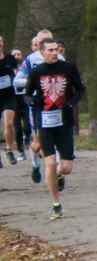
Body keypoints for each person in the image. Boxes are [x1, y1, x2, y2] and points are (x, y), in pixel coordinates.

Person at [22, 39, 85, 220]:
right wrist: (32, 101)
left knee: (66, 167)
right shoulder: (36, 73)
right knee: (49, 163)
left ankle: (57, 175)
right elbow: (27, 94)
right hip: (45, 122)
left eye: (56, 49)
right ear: (42, 53)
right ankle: (56, 204)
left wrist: (71, 102)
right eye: (50, 50)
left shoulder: (68, 68)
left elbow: (80, 89)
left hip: (63, 122)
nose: (54, 52)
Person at [17, 31, 49, 182]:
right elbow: (17, 81)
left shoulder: (59, 59)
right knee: (38, 142)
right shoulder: (30, 59)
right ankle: (35, 164)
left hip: (54, 105)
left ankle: (57, 172)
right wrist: (34, 82)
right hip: (36, 104)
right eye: (40, 42)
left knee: (53, 140)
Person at [0, 39, 19, 165]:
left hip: (8, 96)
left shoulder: (9, 58)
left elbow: (19, 70)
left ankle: (9, 149)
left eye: (0, 41)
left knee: (9, 122)